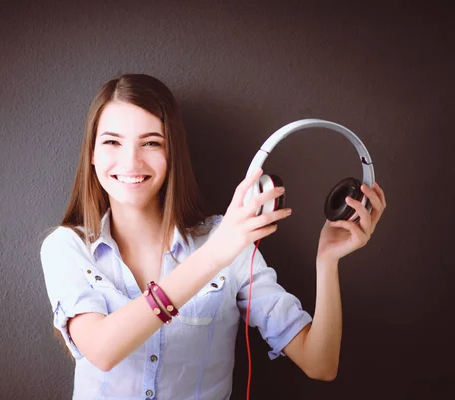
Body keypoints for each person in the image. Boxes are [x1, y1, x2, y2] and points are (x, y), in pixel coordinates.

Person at [40, 74, 387, 399]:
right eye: (112, 142)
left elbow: (320, 363)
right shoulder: (66, 247)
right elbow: (102, 350)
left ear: (171, 153)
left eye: (151, 143)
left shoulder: (230, 240)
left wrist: (327, 261)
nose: (131, 161)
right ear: (93, 155)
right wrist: (216, 254)